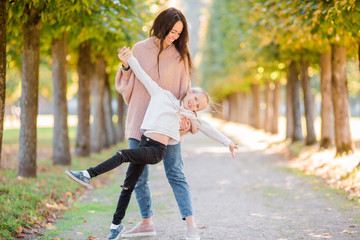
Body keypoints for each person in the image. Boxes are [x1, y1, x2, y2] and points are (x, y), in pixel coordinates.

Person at [65, 53, 238, 240]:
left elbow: (208, 128)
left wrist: (227, 142)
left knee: (122, 154)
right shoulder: (161, 94)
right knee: (128, 185)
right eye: (194, 99)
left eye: (197, 106)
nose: (193, 104)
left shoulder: (189, 117)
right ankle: (116, 225)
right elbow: (142, 75)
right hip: (144, 142)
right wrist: (129, 59)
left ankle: (88, 174)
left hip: (156, 150)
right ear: (188, 91)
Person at [114, 7, 203, 240]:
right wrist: (125, 66)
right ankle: (146, 223)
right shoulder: (140, 49)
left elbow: (185, 93)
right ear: (161, 25)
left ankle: (191, 225)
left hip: (168, 126)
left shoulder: (180, 56)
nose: (174, 36)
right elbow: (127, 87)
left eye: (179, 33)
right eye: (172, 31)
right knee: (138, 176)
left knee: (175, 171)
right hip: (139, 121)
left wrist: (187, 120)